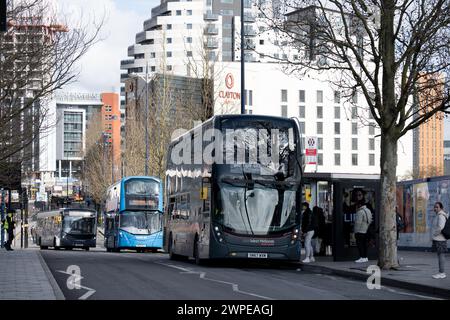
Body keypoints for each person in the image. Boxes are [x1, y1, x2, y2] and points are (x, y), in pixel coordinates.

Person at [431, 202, 448, 279]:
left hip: (440, 239)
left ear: (441, 208)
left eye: (437, 207)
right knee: (440, 255)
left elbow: (440, 227)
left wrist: (434, 234)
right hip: (439, 239)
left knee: (441, 256)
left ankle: (442, 273)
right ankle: (441, 272)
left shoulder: (441, 216)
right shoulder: (438, 215)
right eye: (434, 207)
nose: (435, 208)